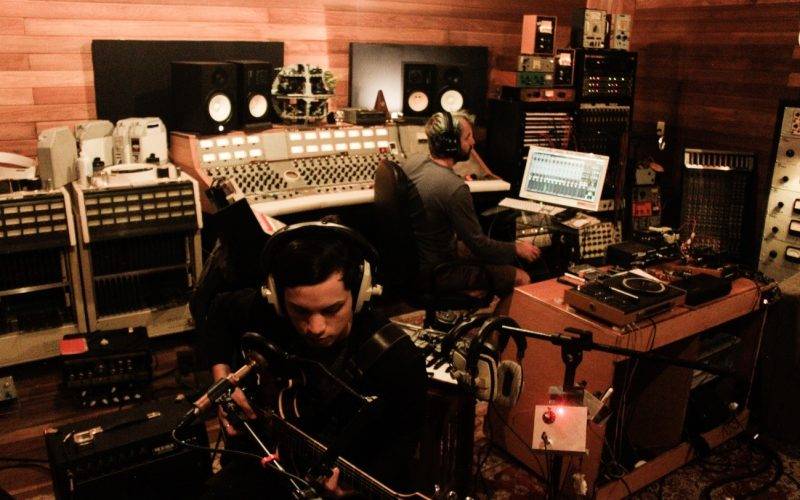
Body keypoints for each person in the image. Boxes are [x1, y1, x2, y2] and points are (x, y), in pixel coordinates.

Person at [197, 221, 428, 497]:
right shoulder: (267, 311)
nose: (316, 328)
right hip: (263, 453)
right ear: (277, 298)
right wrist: (224, 382)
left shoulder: (398, 361)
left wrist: (350, 493)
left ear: (361, 293)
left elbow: (398, 453)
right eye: (301, 311)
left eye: (332, 309)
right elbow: (219, 314)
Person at [402, 111, 541, 297]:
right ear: (451, 144)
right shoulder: (455, 188)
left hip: (415, 262)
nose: (473, 142)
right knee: (521, 278)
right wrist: (517, 248)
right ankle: (494, 316)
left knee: (481, 254)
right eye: (467, 137)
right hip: (438, 273)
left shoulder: (412, 163)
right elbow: (480, 245)